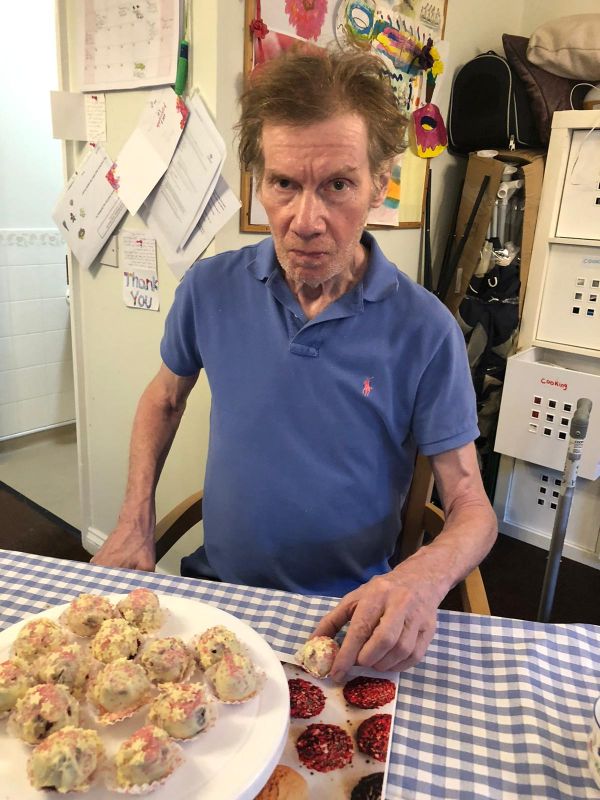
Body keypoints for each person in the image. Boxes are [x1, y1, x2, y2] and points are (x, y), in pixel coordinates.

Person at [92, 47, 497, 677]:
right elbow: (164, 398)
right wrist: (133, 518)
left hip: (346, 620)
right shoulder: (209, 288)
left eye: (338, 185)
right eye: (284, 183)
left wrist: (423, 576)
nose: (306, 221)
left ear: (379, 184)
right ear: (259, 180)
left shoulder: (427, 331)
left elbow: (471, 504)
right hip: (217, 600)